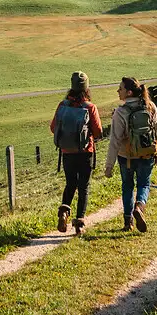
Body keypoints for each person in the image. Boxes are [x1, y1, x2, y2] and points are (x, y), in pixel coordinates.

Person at [104, 75, 157, 232]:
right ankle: (140, 206)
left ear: (129, 92)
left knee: (127, 186)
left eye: (121, 89)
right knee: (144, 184)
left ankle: (128, 222)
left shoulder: (120, 112)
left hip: (126, 156)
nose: (118, 91)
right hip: (147, 154)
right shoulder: (150, 107)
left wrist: (109, 166)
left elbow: (115, 141)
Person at [50, 71, 102, 235]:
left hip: (67, 152)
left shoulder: (63, 105)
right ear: (86, 88)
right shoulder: (90, 107)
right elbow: (98, 131)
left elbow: (53, 128)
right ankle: (79, 224)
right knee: (83, 186)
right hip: (85, 152)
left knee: (70, 182)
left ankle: (64, 210)